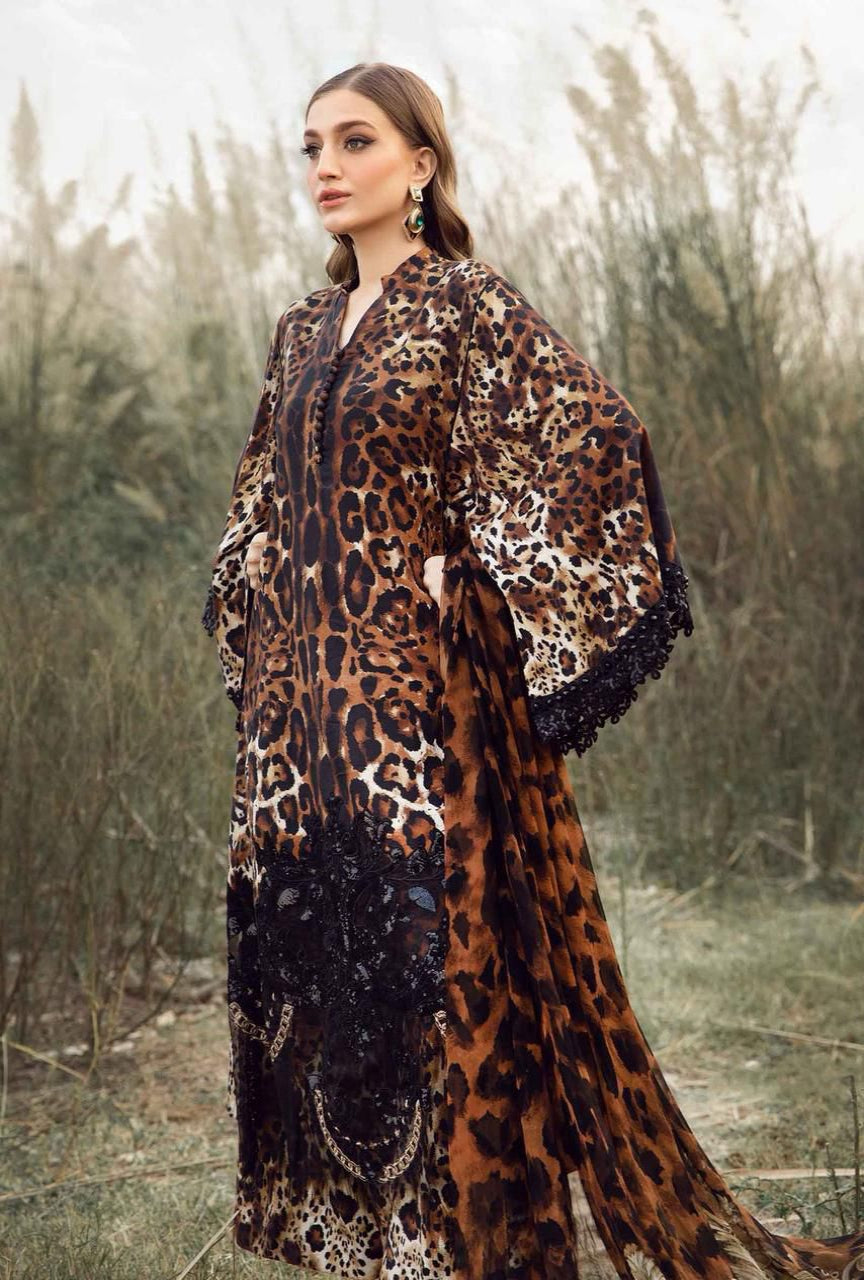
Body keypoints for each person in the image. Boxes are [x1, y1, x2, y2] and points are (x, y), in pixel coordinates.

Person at [201, 60, 864, 1280]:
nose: (326, 166)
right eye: (311, 146)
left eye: (355, 141)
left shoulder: (467, 304)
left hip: (416, 715)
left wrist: (475, 565)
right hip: (298, 734)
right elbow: (257, 502)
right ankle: (362, 1244)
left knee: (432, 974)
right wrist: (266, 596)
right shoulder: (299, 330)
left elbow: (595, 437)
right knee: (320, 975)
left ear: (421, 163)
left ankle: (462, 1243)